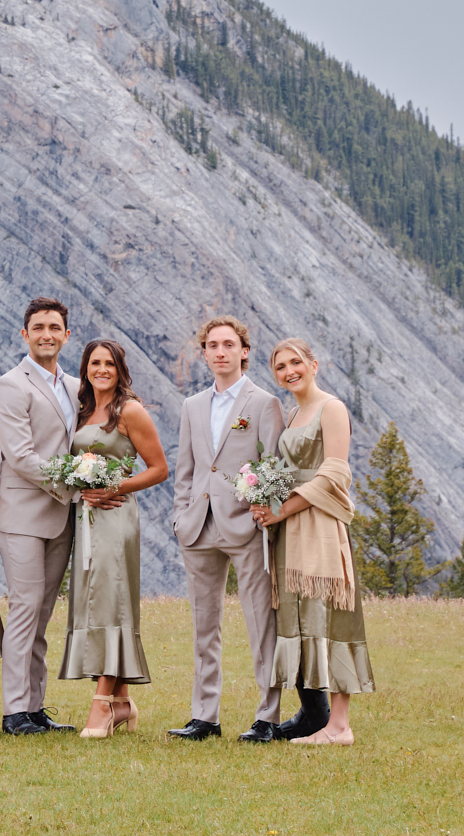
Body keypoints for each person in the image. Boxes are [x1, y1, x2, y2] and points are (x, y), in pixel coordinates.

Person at [167, 314, 286, 743]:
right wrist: (181, 516)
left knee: (260, 623)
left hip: (246, 526)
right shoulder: (192, 405)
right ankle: (205, 717)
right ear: (204, 354)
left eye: (228, 345)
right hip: (198, 528)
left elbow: (273, 463)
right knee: (204, 626)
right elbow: (188, 468)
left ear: (244, 351)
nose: (221, 352)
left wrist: (264, 510)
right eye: (213, 346)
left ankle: (267, 716)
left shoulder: (263, 403)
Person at [252, 338, 372, 745]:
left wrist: (283, 509)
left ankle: (340, 725)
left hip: (319, 522)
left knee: (331, 613)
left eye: (295, 362)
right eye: (280, 367)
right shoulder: (292, 414)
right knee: (302, 613)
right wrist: (263, 500)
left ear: (313, 364)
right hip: (290, 531)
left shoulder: (331, 408)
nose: (289, 371)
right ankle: (315, 716)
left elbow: (335, 472)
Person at [58, 338, 169, 737]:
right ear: (85, 367)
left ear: (120, 369)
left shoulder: (130, 411)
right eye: (94, 363)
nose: (100, 369)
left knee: (110, 599)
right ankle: (121, 702)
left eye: (108, 363)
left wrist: (115, 488)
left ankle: (102, 704)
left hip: (116, 516)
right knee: (93, 597)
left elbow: (158, 469)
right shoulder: (82, 410)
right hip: (85, 517)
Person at [0, 295, 81, 735]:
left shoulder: (75, 385)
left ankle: (35, 706)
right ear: (24, 334)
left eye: (54, 328)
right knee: (25, 608)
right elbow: (22, 456)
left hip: (61, 515)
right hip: (23, 515)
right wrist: (76, 480)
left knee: (43, 613)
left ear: (66, 335)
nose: (47, 335)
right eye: (38, 328)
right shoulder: (11, 384)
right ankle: (13, 712)